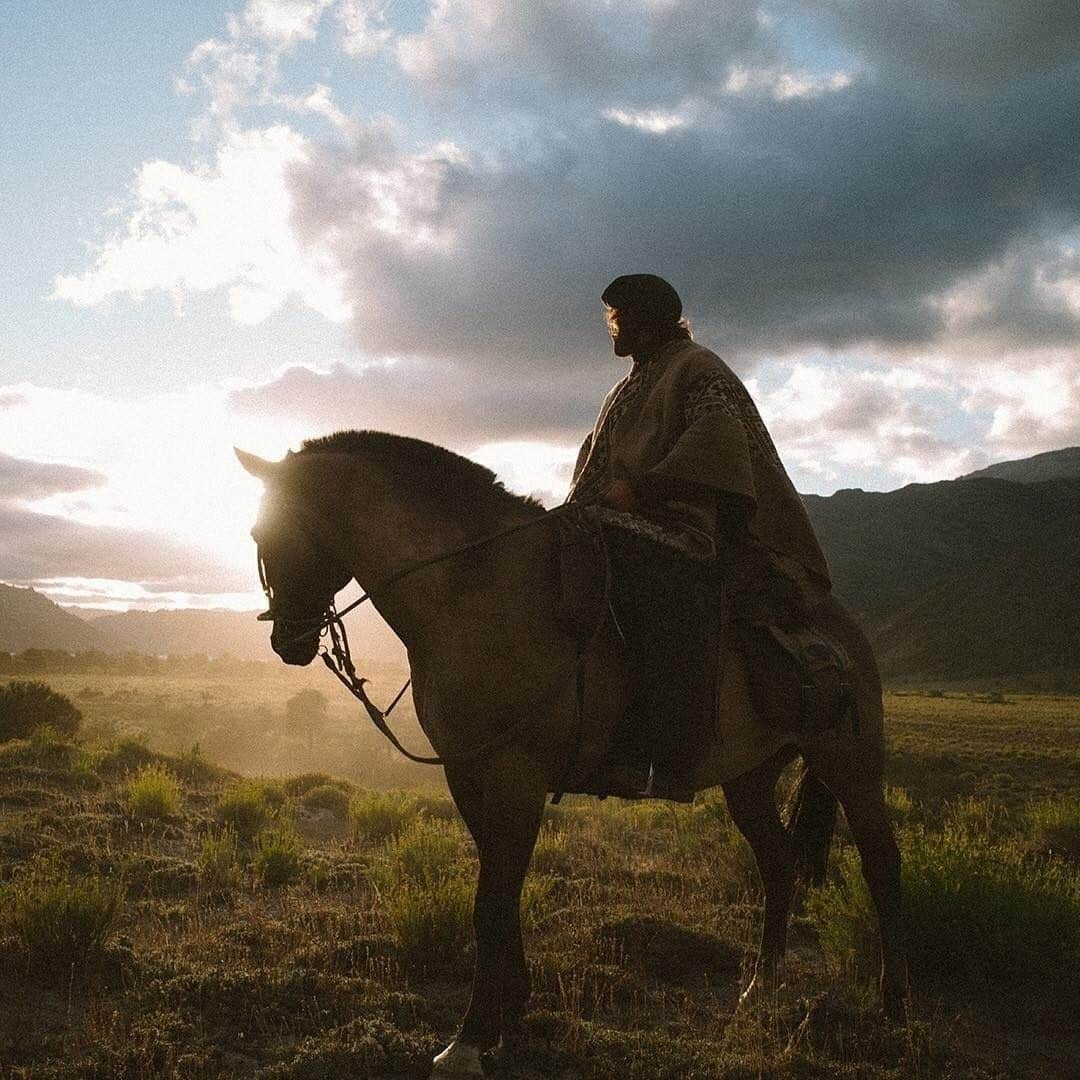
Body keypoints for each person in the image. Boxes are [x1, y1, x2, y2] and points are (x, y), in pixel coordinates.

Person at [567, 274, 832, 800]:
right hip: (625, 521)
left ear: (646, 324)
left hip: (684, 528)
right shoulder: (628, 386)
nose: (612, 327)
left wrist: (642, 489)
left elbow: (715, 440)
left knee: (654, 594)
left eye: (618, 318)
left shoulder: (698, 367)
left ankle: (659, 754)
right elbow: (597, 460)